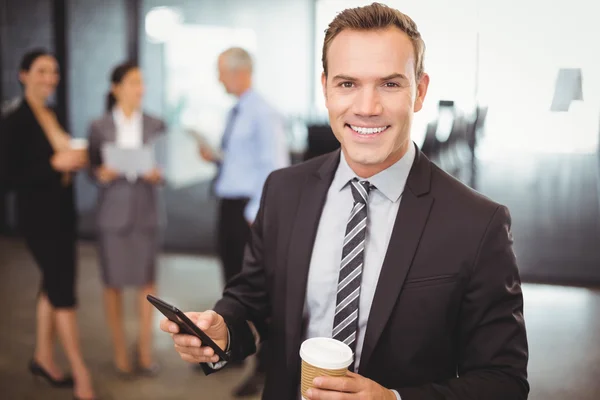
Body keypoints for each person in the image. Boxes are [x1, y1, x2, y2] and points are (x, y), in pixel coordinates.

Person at [161, 3, 529, 400]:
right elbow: (253, 301)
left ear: (419, 91)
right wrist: (225, 332)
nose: (367, 107)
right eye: (347, 84)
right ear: (325, 89)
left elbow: (502, 381)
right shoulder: (285, 191)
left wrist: (393, 399)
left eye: (389, 84)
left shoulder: (477, 223)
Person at [0, 49, 96, 400]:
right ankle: (81, 373)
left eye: (53, 71)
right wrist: (54, 164)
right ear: (23, 74)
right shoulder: (14, 120)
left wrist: (74, 160)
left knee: (51, 285)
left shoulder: (52, 112)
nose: (49, 78)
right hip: (38, 218)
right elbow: (8, 177)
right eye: (41, 71)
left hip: (61, 212)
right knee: (63, 292)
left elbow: (59, 157)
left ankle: (43, 357)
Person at [197, 47, 290, 396]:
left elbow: (275, 167)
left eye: (221, 71)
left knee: (256, 291)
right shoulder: (237, 111)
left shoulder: (262, 113)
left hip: (248, 213)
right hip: (230, 205)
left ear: (240, 73)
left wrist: (257, 216)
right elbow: (245, 162)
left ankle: (264, 366)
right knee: (232, 286)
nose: (218, 78)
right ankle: (231, 349)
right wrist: (218, 158)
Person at [87, 62, 166, 377]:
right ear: (116, 88)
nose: (140, 88)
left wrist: (158, 174)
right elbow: (92, 168)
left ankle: (145, 351)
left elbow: (167, 166)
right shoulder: (99, 126)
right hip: (112, 215)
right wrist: (99, 174)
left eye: (142, 82)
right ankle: (120, 352)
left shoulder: (156, 125)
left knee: (147, 283)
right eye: (134, 82)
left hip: (146, 213)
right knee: (113, 285)